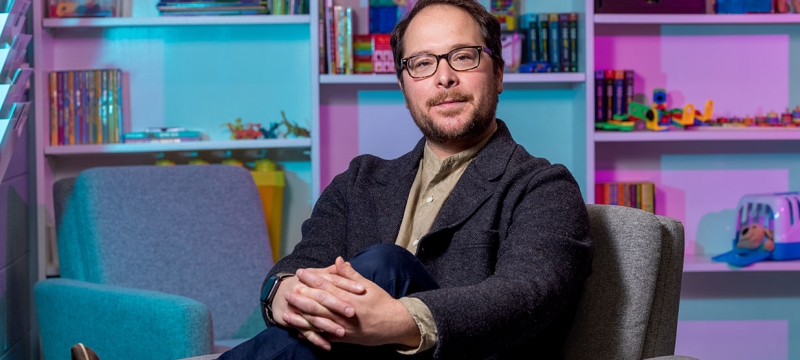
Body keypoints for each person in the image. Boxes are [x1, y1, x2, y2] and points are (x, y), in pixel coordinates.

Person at [219, 0, 592, 358]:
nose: (444, 77)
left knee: (387, 265)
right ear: (403, 87)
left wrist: (400, 320)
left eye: (463, 57)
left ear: (497, 75)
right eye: (422, 63)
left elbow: (527, 296)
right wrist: (283, 291)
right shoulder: (358, 181)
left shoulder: (544, 187)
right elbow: (302, 265)